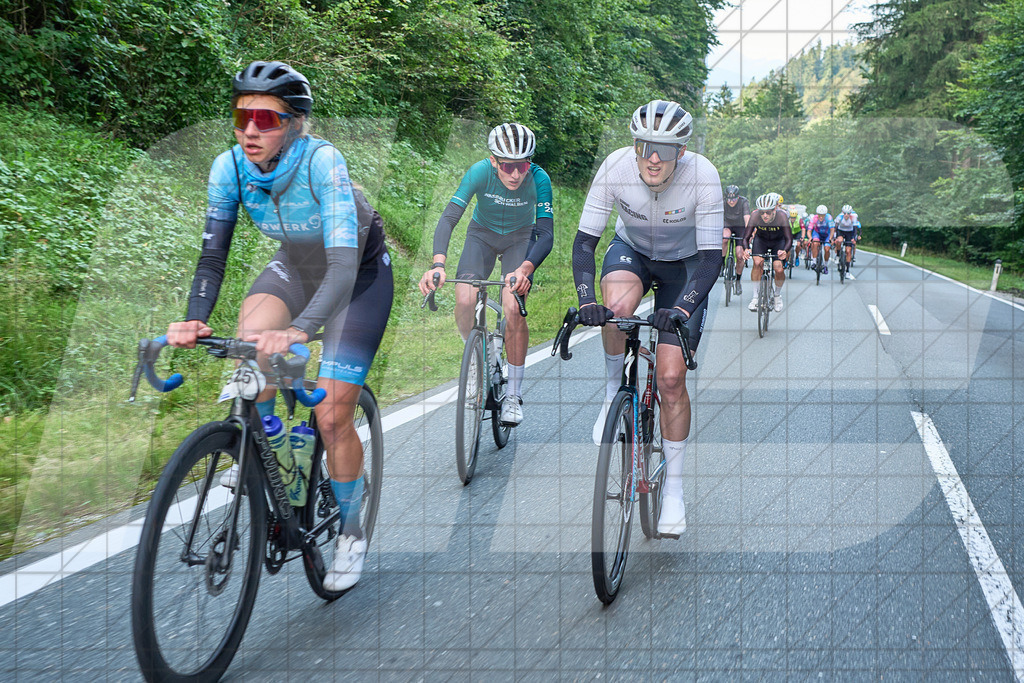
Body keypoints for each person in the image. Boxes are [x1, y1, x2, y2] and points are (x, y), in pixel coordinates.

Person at [166, 61, 393, 592]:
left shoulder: (322, 163)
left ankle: (351, 532)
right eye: (241, 116)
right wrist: (196, 316)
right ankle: (266, 450)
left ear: (294, 124)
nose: (250, 130)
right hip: (295, 264)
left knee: (332, 415)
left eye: (265, 118)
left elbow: (342, 268)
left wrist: (302, 329)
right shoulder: (229, 168)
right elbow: (213, 257)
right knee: (251, 339)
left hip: (356, 277)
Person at [571, 100, 723, 536]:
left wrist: (681, 309)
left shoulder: (703, 175)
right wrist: (587, 301)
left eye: (666, 149)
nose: (653, 158)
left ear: (682, 151)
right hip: (632, 252)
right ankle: (611, 394)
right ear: (634, 145)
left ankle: (673, 489)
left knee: (671, 378)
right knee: (616, 312)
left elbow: (711, 259)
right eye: (644, 146)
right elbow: (584, 244)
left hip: (687, 265)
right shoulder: (615, 167)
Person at [418, 123, 553, 426]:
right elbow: (449, 218)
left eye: (522, 165)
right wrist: (438, 264)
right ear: (493, 161)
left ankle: (514, 394)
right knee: (465, 299)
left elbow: (545, 234)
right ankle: (476, 361)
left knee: (513, 307)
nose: (515, 174)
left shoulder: (539, 178)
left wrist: (525, 269)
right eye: (507, 166)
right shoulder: (479, 171)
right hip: (481, 235)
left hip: (521, 238)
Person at [740, 194, 792, 312]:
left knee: (778, 268)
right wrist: (746, 249)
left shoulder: (782, 216)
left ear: (774, 209)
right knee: (757, 263)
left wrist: (785, 251)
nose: (765, 215)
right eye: (762, 212)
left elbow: (789, 238)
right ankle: (755, 297)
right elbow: (746, 237)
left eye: (768, 212)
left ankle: (777, 295)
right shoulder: (754, 216)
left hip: (778, 242)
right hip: (761, 241)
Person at [722, 184, 750, 294]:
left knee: (739, 255)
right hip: (727, 224)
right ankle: (722, 264)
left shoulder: (744, 202)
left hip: (740, 226)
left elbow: (747, 218)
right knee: (725, 238)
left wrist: (749, 233)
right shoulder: (723, 202)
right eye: (729, 199)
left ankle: (738, 281)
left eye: (734, 199)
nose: (731, 202)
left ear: (738, 197)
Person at [833, 204, 861, 270]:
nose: (846, 215)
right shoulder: (839, 217)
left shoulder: (853, 218)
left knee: (848, 251)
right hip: (841, 231)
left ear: (850, 213)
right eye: (844, 213)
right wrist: (835, 238)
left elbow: (855, 229)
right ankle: (838, 255)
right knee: (839, 241)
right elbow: (835, 228)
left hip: (849, 232)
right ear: (843, 212)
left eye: (848, 213)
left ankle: (847, 270)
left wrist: (854, 238)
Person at [808, 204, 833, 274]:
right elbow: (809, 230)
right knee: (815, 243)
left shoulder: (829, 218)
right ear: (817, 214)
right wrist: (810, 238)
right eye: (819, 215)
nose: (821, 217)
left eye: (823, 215)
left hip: (827, 234)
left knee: (827, 249)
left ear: (825, 214)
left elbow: (832, 230)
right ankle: (814, 261)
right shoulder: (814, 218)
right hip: (817, 234)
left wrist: (830, 238)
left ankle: (825, 265)